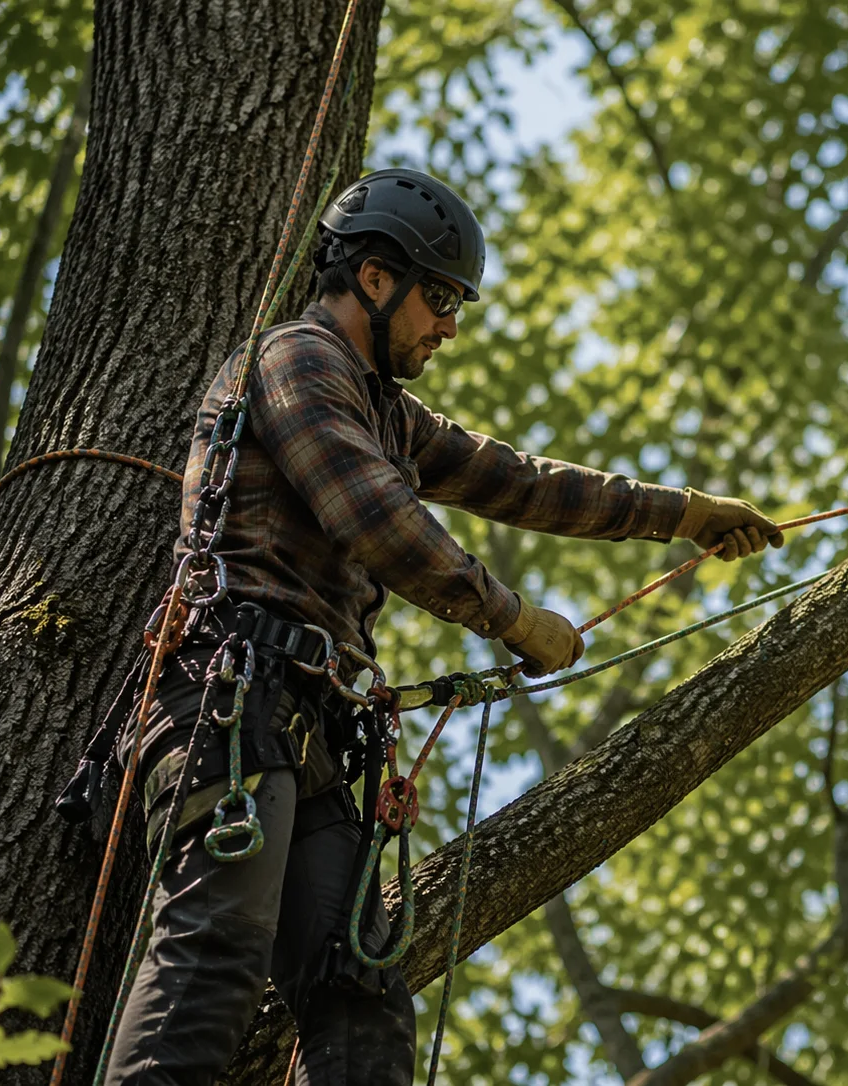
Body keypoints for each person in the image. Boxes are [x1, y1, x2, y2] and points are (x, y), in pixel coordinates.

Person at [100, 168, 783, 1085]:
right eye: (443, 297)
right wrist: (514, 620)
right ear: (375, 280)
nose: (452, 325)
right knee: (216, 956)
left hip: (310, 734)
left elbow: (526, 481)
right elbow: (374, 518)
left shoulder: (388, 411)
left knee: (363, 1000)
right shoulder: (295, 360)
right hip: (230, 703)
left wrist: (683, 513)